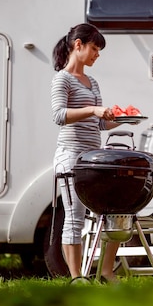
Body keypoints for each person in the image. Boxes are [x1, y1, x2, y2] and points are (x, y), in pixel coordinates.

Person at [51, 23, 120, 284]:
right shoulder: (62, 78)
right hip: (71, 155)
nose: (97, 55)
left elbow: (101, 124)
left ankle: (105, 271)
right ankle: (77, 279)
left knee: (114, 211)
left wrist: (124, 119)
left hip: (93, 158)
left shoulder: (92, 82)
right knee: (75, 217)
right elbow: (58, 116)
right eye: (94, 48)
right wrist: (92, 110)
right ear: (78, 45)